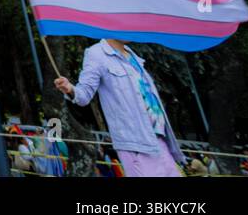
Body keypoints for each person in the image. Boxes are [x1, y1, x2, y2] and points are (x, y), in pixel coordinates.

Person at [55, 38, 186, 177]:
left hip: (159, 138)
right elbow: (84, 95)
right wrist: (69, 88)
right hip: (135, 143)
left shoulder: (132, 55)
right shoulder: (96, 53)